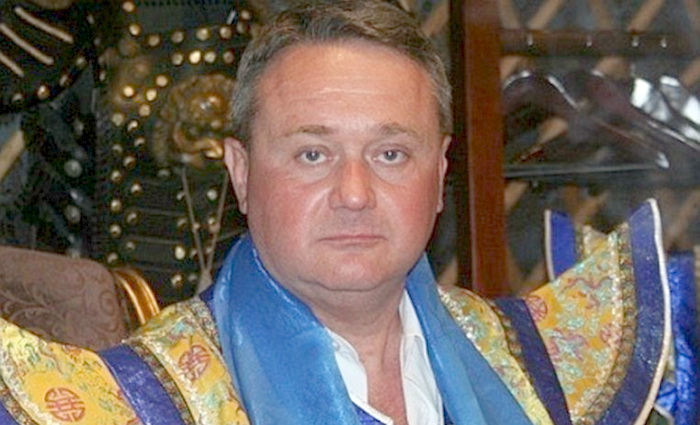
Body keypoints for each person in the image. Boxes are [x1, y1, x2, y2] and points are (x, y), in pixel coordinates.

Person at [0, 1, 671, 424]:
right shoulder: (138, 403)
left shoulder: (545, 369)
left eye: (390, 153)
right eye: (313, 154)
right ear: (240, 172)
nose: (354, 192)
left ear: (441, 174)